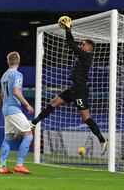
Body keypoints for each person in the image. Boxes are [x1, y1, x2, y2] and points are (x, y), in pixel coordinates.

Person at [30, 17, 108, 155]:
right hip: (73, 88)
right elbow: (72, 44)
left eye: (83, 44)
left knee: (85, 117)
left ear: (89, 49)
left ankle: (102, 140)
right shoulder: (83, 56)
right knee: (54, 102)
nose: (81, 45)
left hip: (80, 90)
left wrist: (68, 28)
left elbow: (70, 43)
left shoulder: (86, 56)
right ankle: (34, 123)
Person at [0, 51, 34, 174]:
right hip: (13, 108)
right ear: (18, 61)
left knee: (8, 137)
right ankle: (19, 164)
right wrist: (27, 104)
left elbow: (2, 94)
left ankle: (2, 166)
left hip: (5, 108)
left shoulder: (4, 76)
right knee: (28, 135)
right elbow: (16, 91)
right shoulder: (17, 75)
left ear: (8, 62)